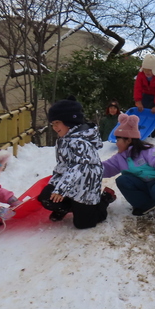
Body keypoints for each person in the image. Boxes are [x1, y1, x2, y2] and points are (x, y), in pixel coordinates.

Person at [38, 96, 116, 229]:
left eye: (57, 123)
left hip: (85, 186)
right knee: (46, 197)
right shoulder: (64, 139)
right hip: (70, 182)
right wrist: (54, 184)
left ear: (69, 122)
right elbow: (62, 165)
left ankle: (105, 199)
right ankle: (68, 207)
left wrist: (61, 189)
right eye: (52, 124)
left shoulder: (81, 143)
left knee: (84, 224)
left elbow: (78, 167)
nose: (54, 127)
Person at [133, 53, 155, 138]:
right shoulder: (141, 75)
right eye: (145, 70)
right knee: (142, 111)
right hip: (146, 94)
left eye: (149, 70)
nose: (147, 72)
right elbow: (137, 88)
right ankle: (143, 131)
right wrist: (138, 101)